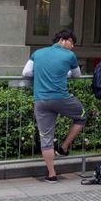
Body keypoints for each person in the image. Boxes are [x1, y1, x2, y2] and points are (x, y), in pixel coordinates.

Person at [22, 30, 86, 183]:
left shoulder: (37, 53)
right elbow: (77, 75)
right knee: (82, 115)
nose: (72, 47)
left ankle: (51, 174)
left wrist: (40, 73)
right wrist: (65, 73)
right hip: (61, 98)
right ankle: (64, 147)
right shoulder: (69, 56)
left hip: (41, 101)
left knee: (46, 138)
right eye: (72, 43)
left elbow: (26, 72)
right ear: (64, 40)